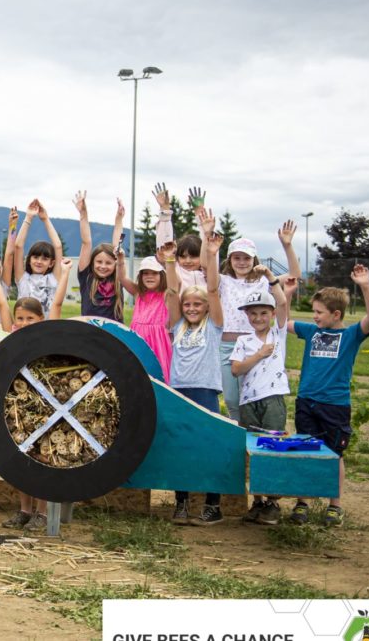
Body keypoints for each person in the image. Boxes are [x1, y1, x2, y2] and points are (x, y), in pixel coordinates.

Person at [286, 264, 369, 527]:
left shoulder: (350, 335)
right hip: (307, 402)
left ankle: (334, 506)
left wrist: (365, 285)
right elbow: (282, 321)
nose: (314, 316)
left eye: (318, 312)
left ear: (336, 314)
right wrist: (288, 293)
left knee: (334, 455)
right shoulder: (312, 331)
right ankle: (302, 502)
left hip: (335, 406)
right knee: (305, 451)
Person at [0, 257, 74, 532]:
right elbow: (2, 303)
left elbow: (59, 304)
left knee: (41, 457)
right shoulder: (11, 334)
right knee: (19, 459)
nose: (24, 323)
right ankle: (24, 511)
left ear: (41, 319)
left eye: (30, 319)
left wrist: (64, 273)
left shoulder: (46, 335)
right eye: (21, 319)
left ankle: (41, 512)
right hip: (18, 405)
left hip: (46, 406)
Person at [163, 210, 226, 526]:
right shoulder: (177, 326)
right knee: (181, 446)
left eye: (196, 305)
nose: (191, 308)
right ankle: (182, 502)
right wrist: (170, 263)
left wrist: (211, 253)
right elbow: (173, 291)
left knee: (209, 444)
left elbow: (212, 290)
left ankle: (213, 504)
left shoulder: (214, 326)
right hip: (180, 390)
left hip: (205, 391)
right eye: (188, 305)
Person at [217, 221, 301, 420]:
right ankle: (238, 430)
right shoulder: (223, 280)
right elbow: (208, 268)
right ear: (230, 260)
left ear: (254, 259)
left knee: (253, 396)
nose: (242, 262)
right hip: (228, 345)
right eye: (237, 258)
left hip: (255, 343)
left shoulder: (264, 281)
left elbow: (295, 276)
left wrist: (287, 245)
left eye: (247, 258)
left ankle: (251, 431)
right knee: (230, 398)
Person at [229, 271, 290, 525]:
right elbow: (236, 369)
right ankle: (257, 501)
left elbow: (284, 301)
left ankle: (273, 503)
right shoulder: (244, 341)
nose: (258, 318)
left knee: (272, 447)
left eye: (264, 312)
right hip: (248, 401)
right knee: (252, 449)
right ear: (247, 316)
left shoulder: (279, 333)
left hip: (273, 398)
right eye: (253, 313)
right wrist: (259, 355)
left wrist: (269, 275)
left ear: (273, 314)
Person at [119, 251, 172, 381]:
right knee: (138, 377)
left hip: (159, 346)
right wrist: (120, 260)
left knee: (159, 378)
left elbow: (175, 285)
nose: (150, 276)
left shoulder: (166, 295)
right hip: (138, 343)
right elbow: (122, 278)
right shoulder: (138, 293)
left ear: (163, 275)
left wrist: (168, 261)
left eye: (154, 273)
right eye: (145, 273)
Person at [6, 199, 64, 318]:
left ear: (52, 263)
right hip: (25, 329)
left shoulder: (53, 279)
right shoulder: (23, 279)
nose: (39, 261)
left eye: (44, 259)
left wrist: (45, 219)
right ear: (29, 259)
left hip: (47, 331)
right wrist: (28, 218)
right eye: (36, 257)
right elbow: (18, 246)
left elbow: (58, 246)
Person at [73, 190, 122, 322]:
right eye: (99, 262)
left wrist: (119, 220)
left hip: (114, 335)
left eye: (108, 263)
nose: (103, 266)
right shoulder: (87, 277)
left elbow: (117, 246)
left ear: (115, 263)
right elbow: (86, 242)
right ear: (92, 263)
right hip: (90, 333)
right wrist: (83, 214)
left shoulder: (118, 279)